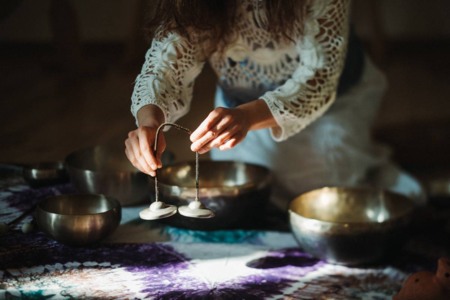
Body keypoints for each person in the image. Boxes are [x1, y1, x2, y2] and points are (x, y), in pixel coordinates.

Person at [124, 0, 425, 211]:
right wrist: (149, 122)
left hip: (330, 101)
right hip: (238, 108)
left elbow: (317, 78)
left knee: (323, 196)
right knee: (249, 190)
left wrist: (246, 118)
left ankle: (372, 167)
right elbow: (166, 64)